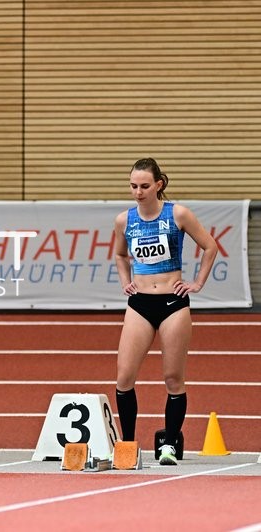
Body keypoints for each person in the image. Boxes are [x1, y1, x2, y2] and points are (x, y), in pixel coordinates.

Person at [113, 157, 217, 465]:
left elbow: (210, 246)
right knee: (124, 377)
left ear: (158, 185)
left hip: (173, 302)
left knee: (173, 378)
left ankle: (170, 443)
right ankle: (128, 445)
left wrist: (197, 283)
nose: (138, 192)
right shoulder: (124, 220)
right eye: (133, 186)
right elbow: (120, 255)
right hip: (140, 304)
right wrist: (125, 282)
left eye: (145, 186)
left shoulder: (178, 214)